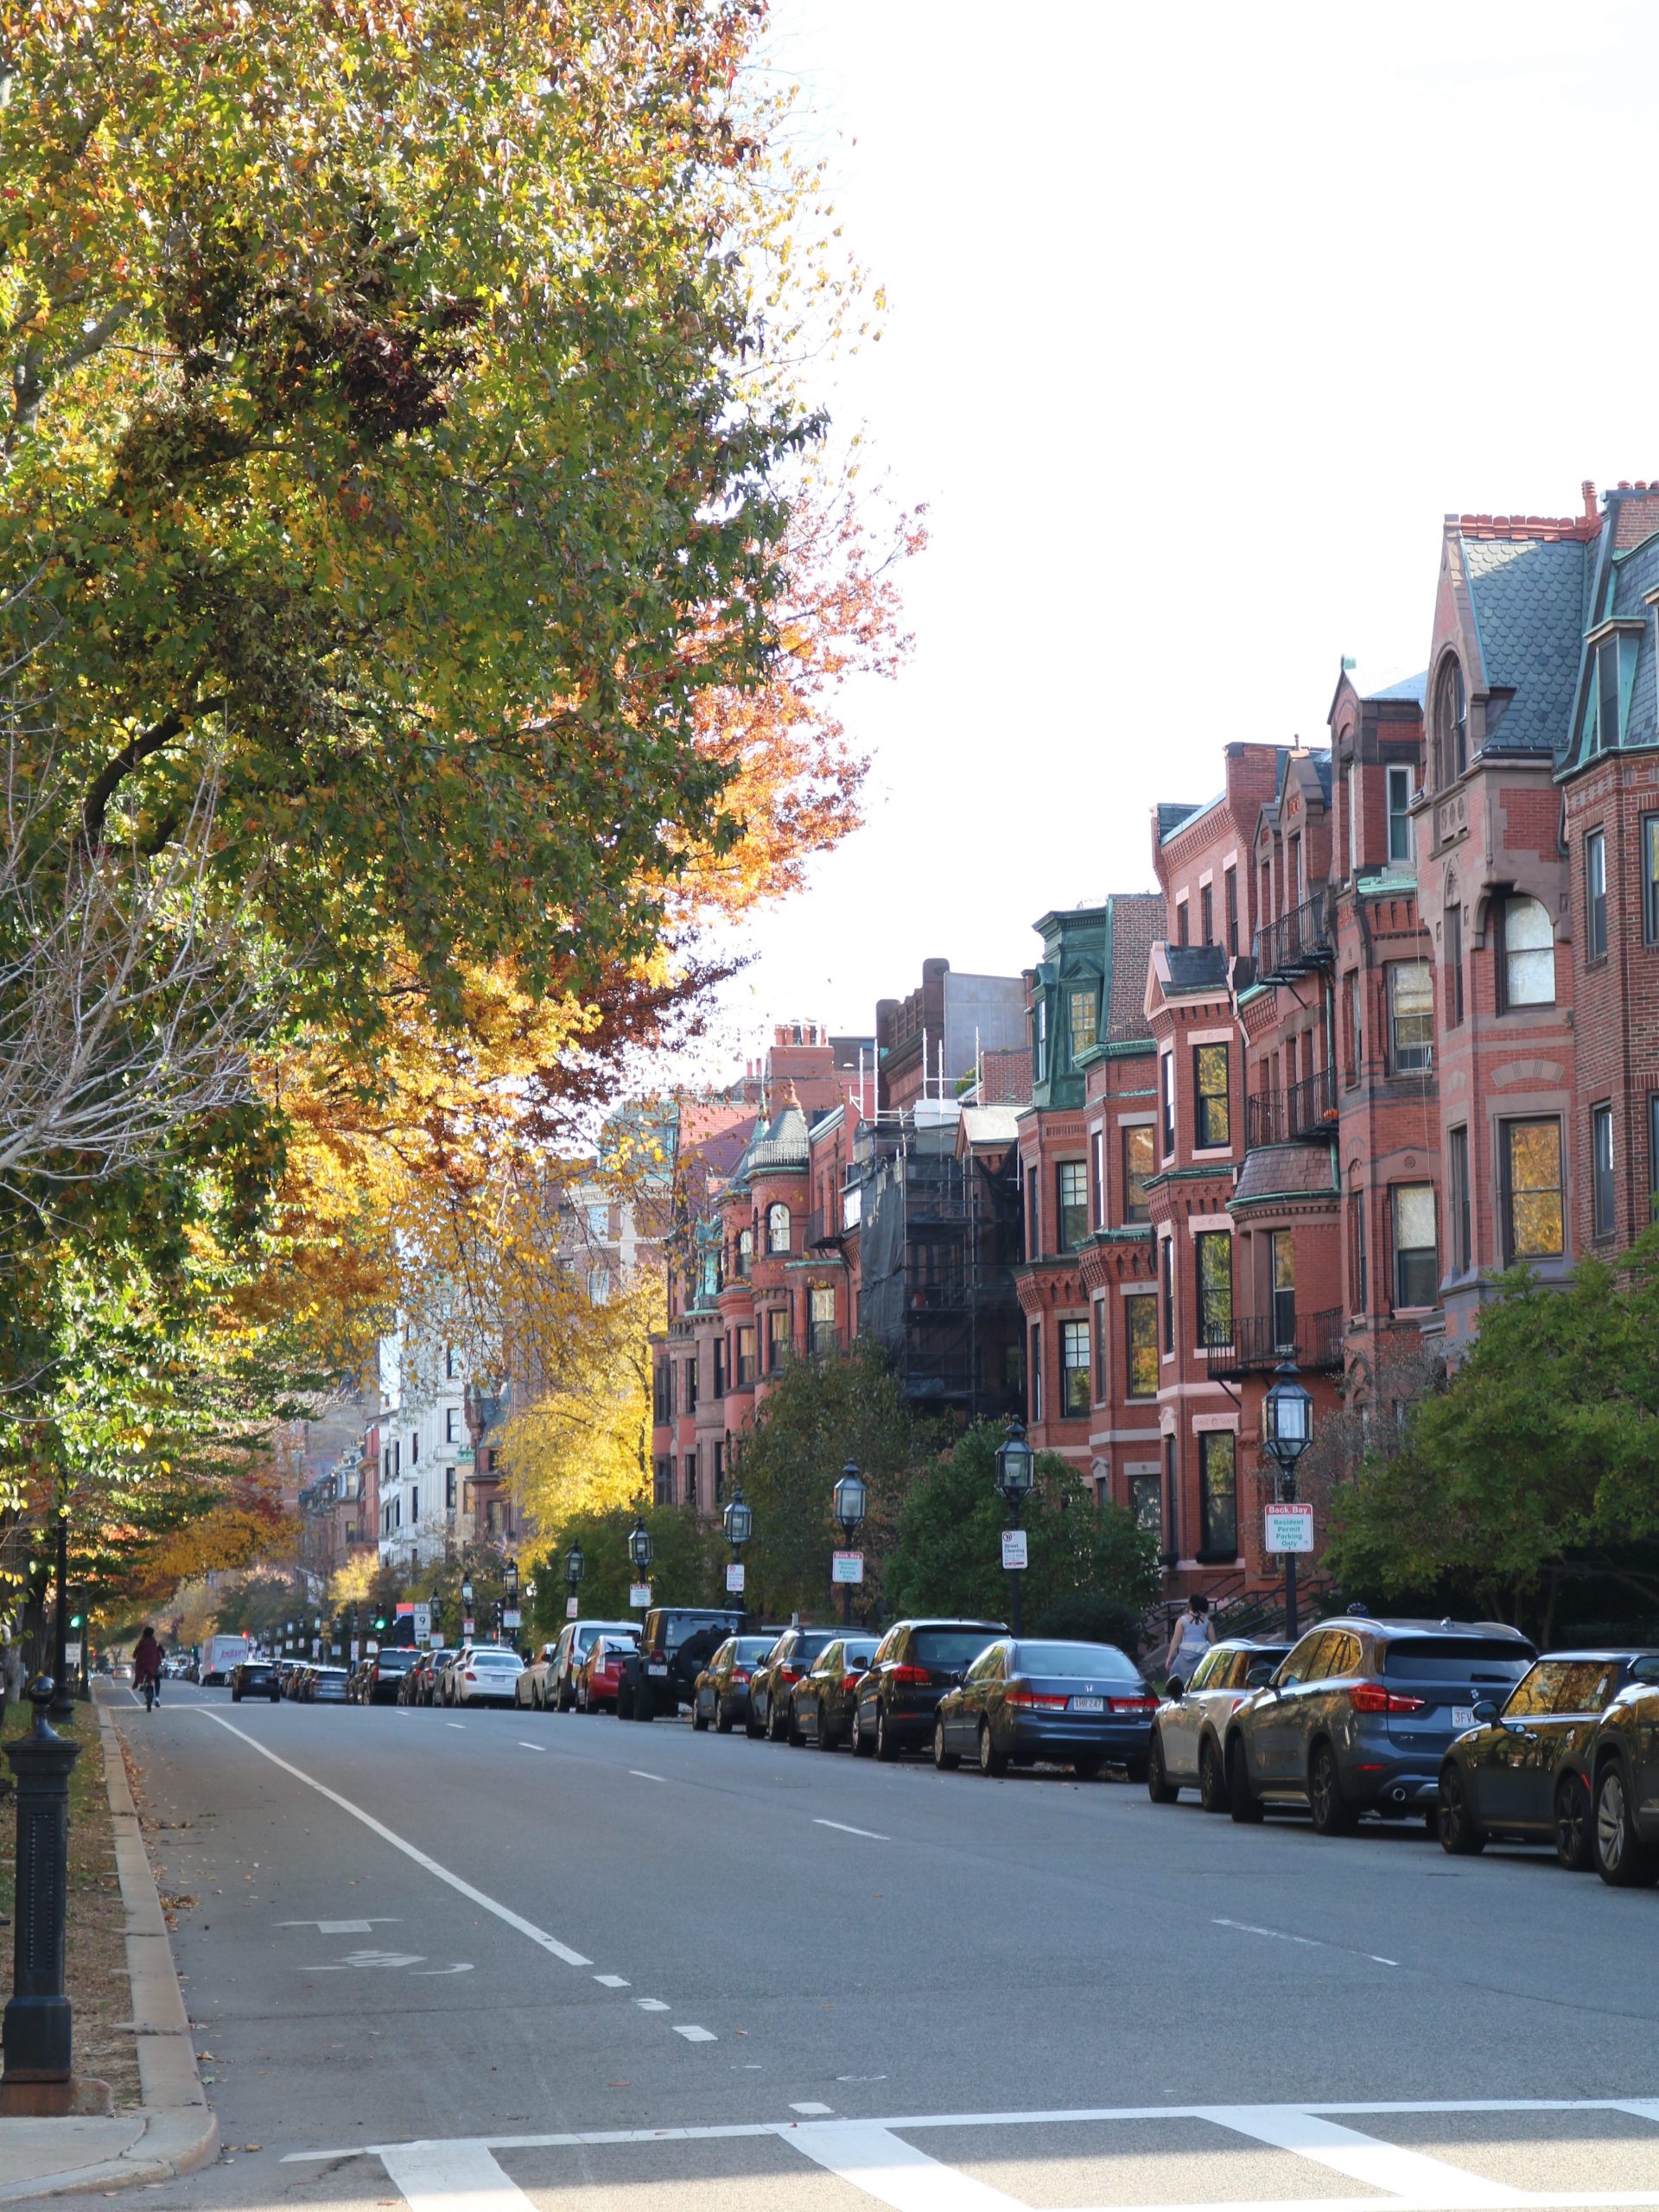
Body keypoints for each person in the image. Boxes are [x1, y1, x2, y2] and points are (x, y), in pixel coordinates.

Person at [1165, 1593, 1213, 1688]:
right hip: (1202, 1655)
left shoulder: (1182, 1621)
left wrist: (1169, 1657)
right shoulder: (1208, 1622)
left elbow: (1176, 1641)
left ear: (1190, 1605)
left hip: (1184, 1656)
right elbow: (1214, 1642)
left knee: (1175, 1672)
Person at [132, 1625, 163, 1711]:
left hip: (143, 1664)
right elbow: (162, 1650)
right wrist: (162, 1656)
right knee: (157, 1678)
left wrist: (135, 1655)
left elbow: (135, 1653)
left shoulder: (141, 1642)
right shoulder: (155, 1642)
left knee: (141, 1670)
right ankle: (157, 1697)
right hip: (154, 1664)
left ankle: (141, 1683)